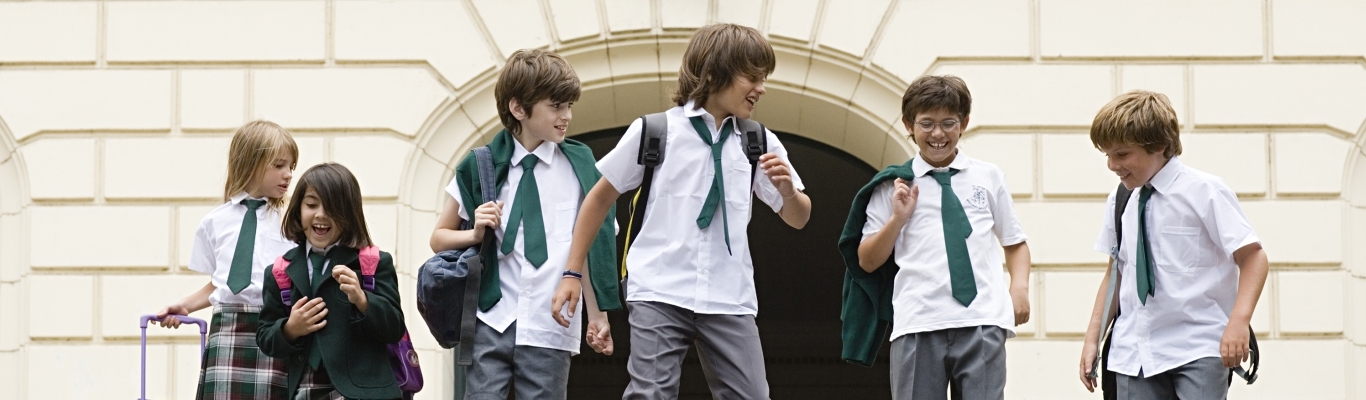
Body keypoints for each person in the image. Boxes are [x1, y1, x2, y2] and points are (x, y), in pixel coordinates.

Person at [552, 23, 812, 399]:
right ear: (713, 72)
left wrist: (788, 191)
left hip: (729, 297)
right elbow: (598, 199)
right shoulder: (655, 131)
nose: (762, 87)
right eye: (752, 76)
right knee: (650, 394)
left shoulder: (758, 141)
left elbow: (799, 217)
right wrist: (572, 272)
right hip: (659, 289)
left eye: (763, 77)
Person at [429, 48, 619, 400]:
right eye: (556, 106)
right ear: (518, 108)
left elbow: (592, 244)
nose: (567, 116)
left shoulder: (580, 166)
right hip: (491, 317)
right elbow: (438, 239)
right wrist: (474, 231)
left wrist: (598, 315)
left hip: (551, 320)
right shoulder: (480, 165)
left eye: (569, 106)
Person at [838, 75, 1031, 400]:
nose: (938, 134)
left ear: (964, 123)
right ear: (909, 125)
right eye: (926, 123)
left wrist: (1020, 288)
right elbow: (866, 260)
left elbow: (1014, 243)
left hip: (982, 319)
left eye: (948, 123)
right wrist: (898, 218)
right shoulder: (893, 186)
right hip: (918, 320)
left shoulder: (988, 176)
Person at [1078, 90, 1268, 400]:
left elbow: (1254, 258)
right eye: (1107, 155)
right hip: (1133, 352)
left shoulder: (1204, 192)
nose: (1112, 164)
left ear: (1160, 146)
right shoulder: (1121, 199)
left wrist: (1239, 322)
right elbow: (1117, 272)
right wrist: (1092, 340)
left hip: (1197, 346)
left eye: (1122, 154)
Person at [156, 120, 298, 399]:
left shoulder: (290, 223)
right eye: (279, 165)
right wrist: (185, 305)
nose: (289, 174)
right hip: (228, 331)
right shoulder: (214, 222)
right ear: (252, 163)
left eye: (291, 166)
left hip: (275, 329)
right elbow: (220, 284)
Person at [256, 163, 407, 399]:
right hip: (303, 389)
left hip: (363, 393)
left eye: (333, 207)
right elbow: (266, 337)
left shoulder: (374, 263)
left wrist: (363, 300)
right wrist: (290, 329)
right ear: (298, 210)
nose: (321, 214)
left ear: (348, 215)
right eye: (311, 204)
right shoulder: (279, 272)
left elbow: (394, 328)